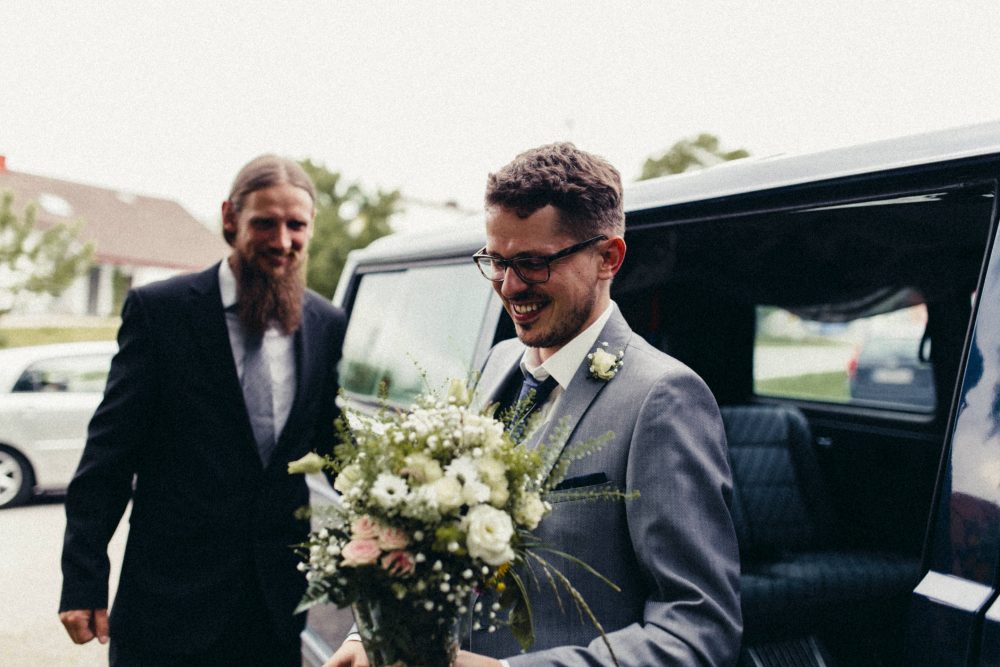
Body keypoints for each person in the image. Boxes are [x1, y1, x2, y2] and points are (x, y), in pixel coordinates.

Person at [327, 143, 741, 667]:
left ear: (608, 258)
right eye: (497, 261)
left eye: (533, 263)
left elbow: (698, 632)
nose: (509, 286)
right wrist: (371, 637)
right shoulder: (499, 361)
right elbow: (435, 548)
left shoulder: (663, 398)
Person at [58, 154, 346, 666]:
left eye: (296, 225)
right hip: (168, 601)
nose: (282, 241)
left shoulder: (326, 322)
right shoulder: (160, 311)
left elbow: (334, 445)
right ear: (230, 218)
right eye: (265, 223)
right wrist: (83, 578)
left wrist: (406, 506)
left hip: (274, 605)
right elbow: (109, 455)